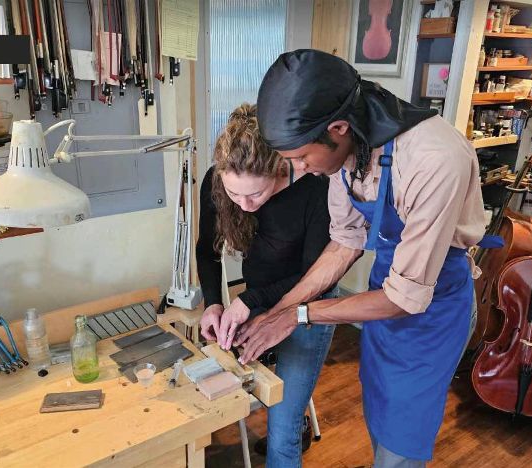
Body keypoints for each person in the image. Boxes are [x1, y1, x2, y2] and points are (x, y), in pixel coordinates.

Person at [226, 50, 502, 467]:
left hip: (432, 312)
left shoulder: (435, 158)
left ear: (337, 128)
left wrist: (299, 315)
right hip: (381, 304)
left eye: (301, 158)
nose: (302, 169)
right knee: (378, 417)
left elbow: (405, 298)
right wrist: (276, 311)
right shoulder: (350, 146)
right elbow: (344, 243)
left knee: (400, 446)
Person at [195, 103, 336, 467]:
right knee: (258, 383)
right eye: (234, 195)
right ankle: (295, 415)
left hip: (309, 306)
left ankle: (292, 424)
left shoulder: (315, 188)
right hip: (259, 296)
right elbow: (207, 251)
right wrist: (214, 303)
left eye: (255, 195)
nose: (244, 206)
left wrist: (249, 299)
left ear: (277, 168)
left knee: (282, 426)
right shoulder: (216, 181)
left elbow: (314, 275)